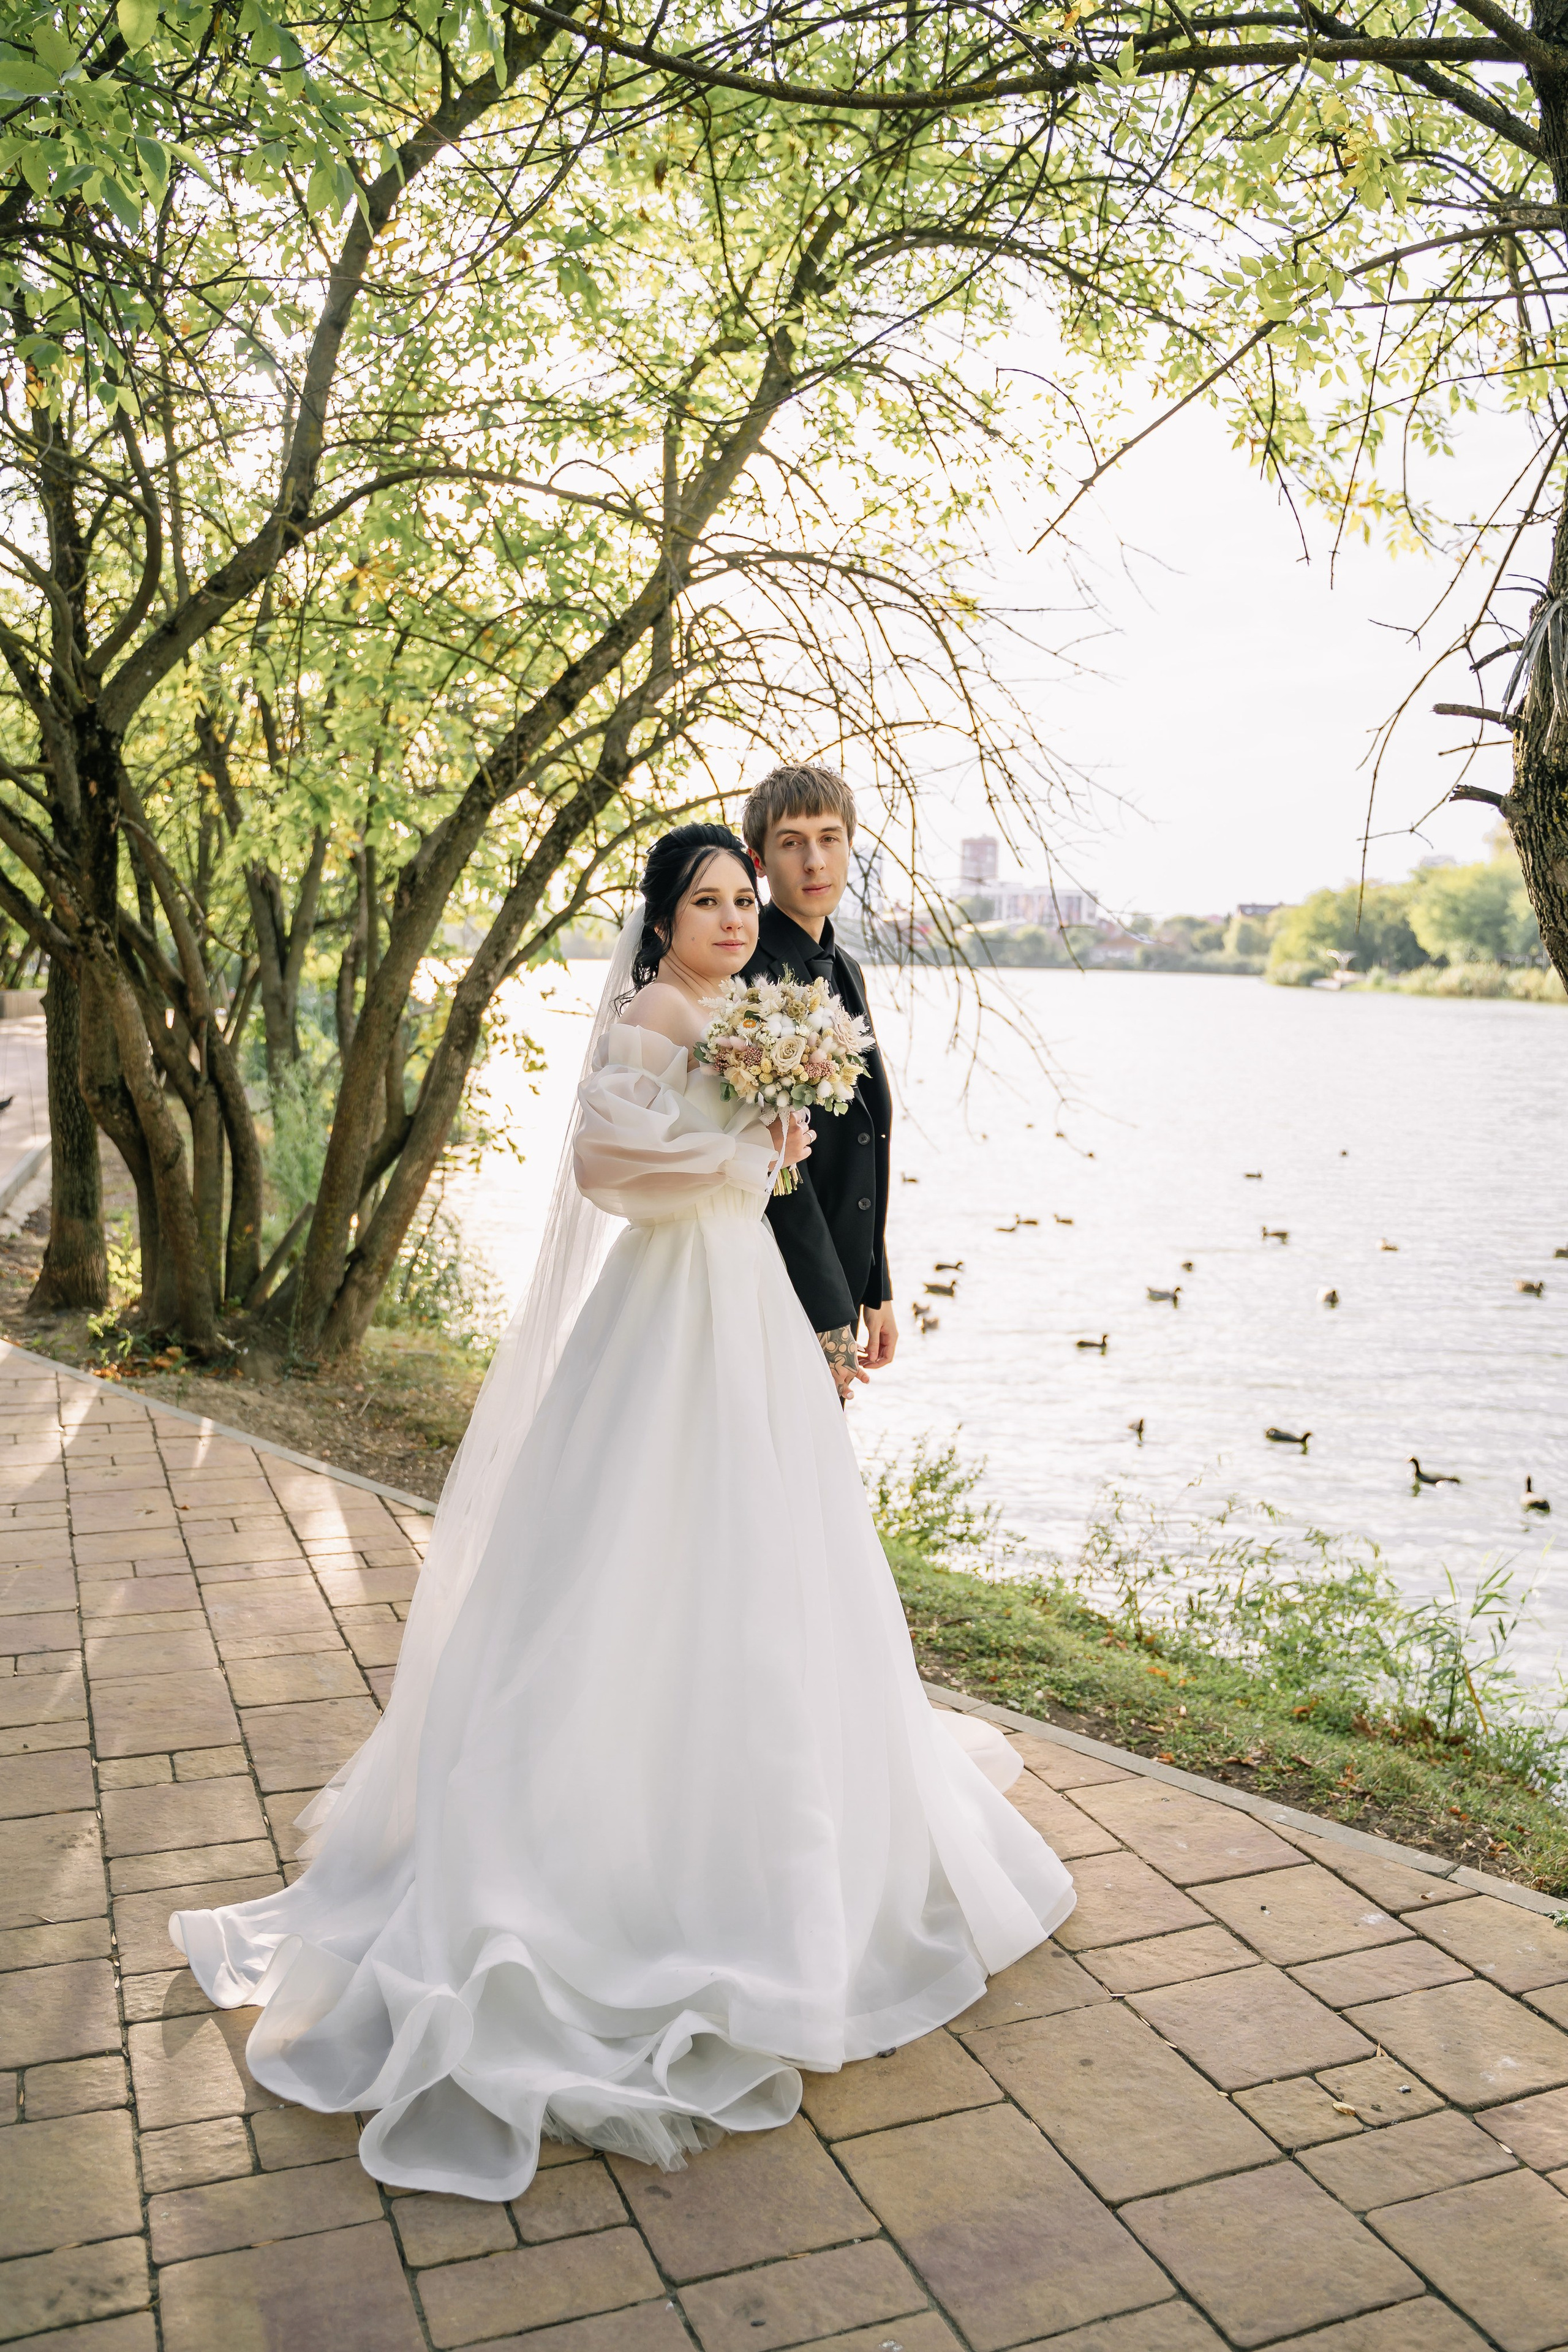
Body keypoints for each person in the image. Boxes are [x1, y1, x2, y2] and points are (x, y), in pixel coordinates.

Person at [169, 822, 1072, 2204]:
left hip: (746, 1319)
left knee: (772, 1562)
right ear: (661, 922)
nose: (725, 917)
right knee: (631, 1561)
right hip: (665, 1316)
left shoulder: (751, 1008)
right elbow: (607, 1170)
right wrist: (734, 1161)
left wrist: (771, 1135)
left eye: (734, 900)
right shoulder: (656, 1015)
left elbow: (766, 1164)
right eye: (703, 900)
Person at [742, 763, 894, 1401]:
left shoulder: (845, 966)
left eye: (830, 838)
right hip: (774, 1281)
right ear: (758, 859)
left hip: (837, 1277)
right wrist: (830, 1313)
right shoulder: (749, 971)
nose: (814, 860)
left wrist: (874, 1287)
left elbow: (863, 1141)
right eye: (791, 842)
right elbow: (778, 1167)